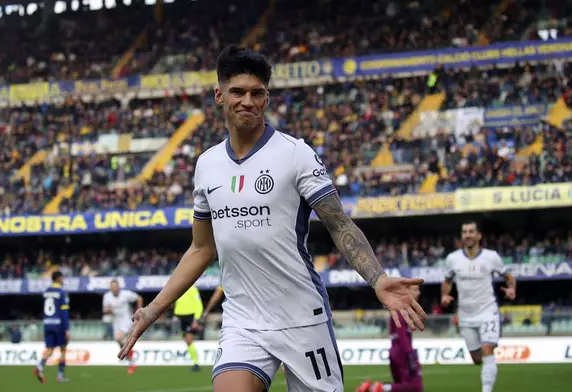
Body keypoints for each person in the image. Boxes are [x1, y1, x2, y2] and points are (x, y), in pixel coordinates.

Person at [118, 45, 427, 392]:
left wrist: (378, 279)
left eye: (256, 93)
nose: (246, 101)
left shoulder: (295, 154)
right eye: (237, 92)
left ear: (266, 99)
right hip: (243, 320)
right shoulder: (206, 165)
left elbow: (338, 223)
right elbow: (201, 249)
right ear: (220, 95)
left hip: (301, 317)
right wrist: (153, 310)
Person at [441, 221, 517, 392]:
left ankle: (486, 389)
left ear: (478, 235)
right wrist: (445, 295)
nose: (468, 234)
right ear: (462, 235)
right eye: (465, 232)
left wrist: (511, 289)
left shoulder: (491, 256)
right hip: (466, 315)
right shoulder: (452, 259)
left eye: (471, 231)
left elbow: (508, 276)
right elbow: (447, 281)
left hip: (487, 310)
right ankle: (488, 354)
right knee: (477, 358)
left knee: (487, 348)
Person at [357, 285, 423, 392]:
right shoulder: (402, 309)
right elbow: (401, 335)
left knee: (402, 385)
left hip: (397, 351)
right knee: (415, 386)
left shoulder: (401, 308)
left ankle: (369, 387)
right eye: (415, 290)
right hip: (402, 352)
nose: (419, 292)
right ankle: (380, 387)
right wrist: (410, 354)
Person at [34, 271, 70, 383]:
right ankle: (60, 376)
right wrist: (67, 328)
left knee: (49, 350)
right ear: (58, 278)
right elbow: (64, 311)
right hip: (58, 324)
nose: (63, 280)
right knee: (63, 349)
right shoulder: (61, 292)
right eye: (62, 278)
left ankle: (39, 366)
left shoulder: (46, 292)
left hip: (47, 323)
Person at [102, 279, 143, 374]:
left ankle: (130, 356)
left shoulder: (126, 294)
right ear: (110, 288)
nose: (114, 289)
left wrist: (139, 311)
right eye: (112, 288)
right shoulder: (107, 296)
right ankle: (130, 358)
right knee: (118, 340)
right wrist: (109, 310)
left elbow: (139, 298)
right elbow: (105, 310)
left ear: (119, 287)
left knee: (119, 337)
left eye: (116, 287)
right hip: (116, 321)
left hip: (126, 319)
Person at [174, 284, 205, 372]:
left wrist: (195, 320)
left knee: (188, 340)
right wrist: (176, 315)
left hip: (190, 317)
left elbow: (199, 305)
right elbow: (178, 303)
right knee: (187, 341)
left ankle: (196, 363)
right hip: (182, 317)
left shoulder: (193, 289)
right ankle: (195, 363)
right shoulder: (179, 288)